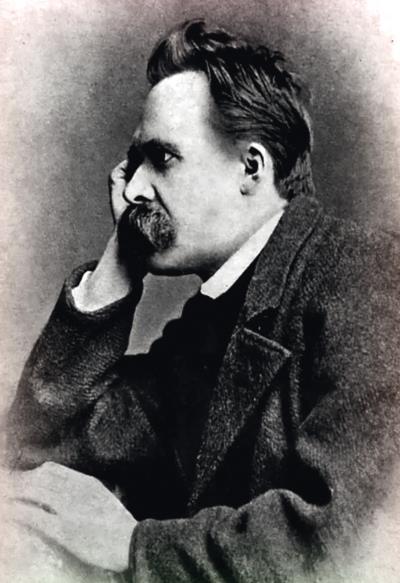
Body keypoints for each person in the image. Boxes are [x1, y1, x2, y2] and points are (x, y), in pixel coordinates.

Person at [6, 18, 400, 582]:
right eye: (134, 163)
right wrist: (123, 256)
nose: (133, 189)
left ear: (251, 169)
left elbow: (342, 541)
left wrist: (134, 545)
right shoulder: (206, 326)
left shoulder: (372, 278)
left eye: (162, 159)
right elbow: (38, 446)